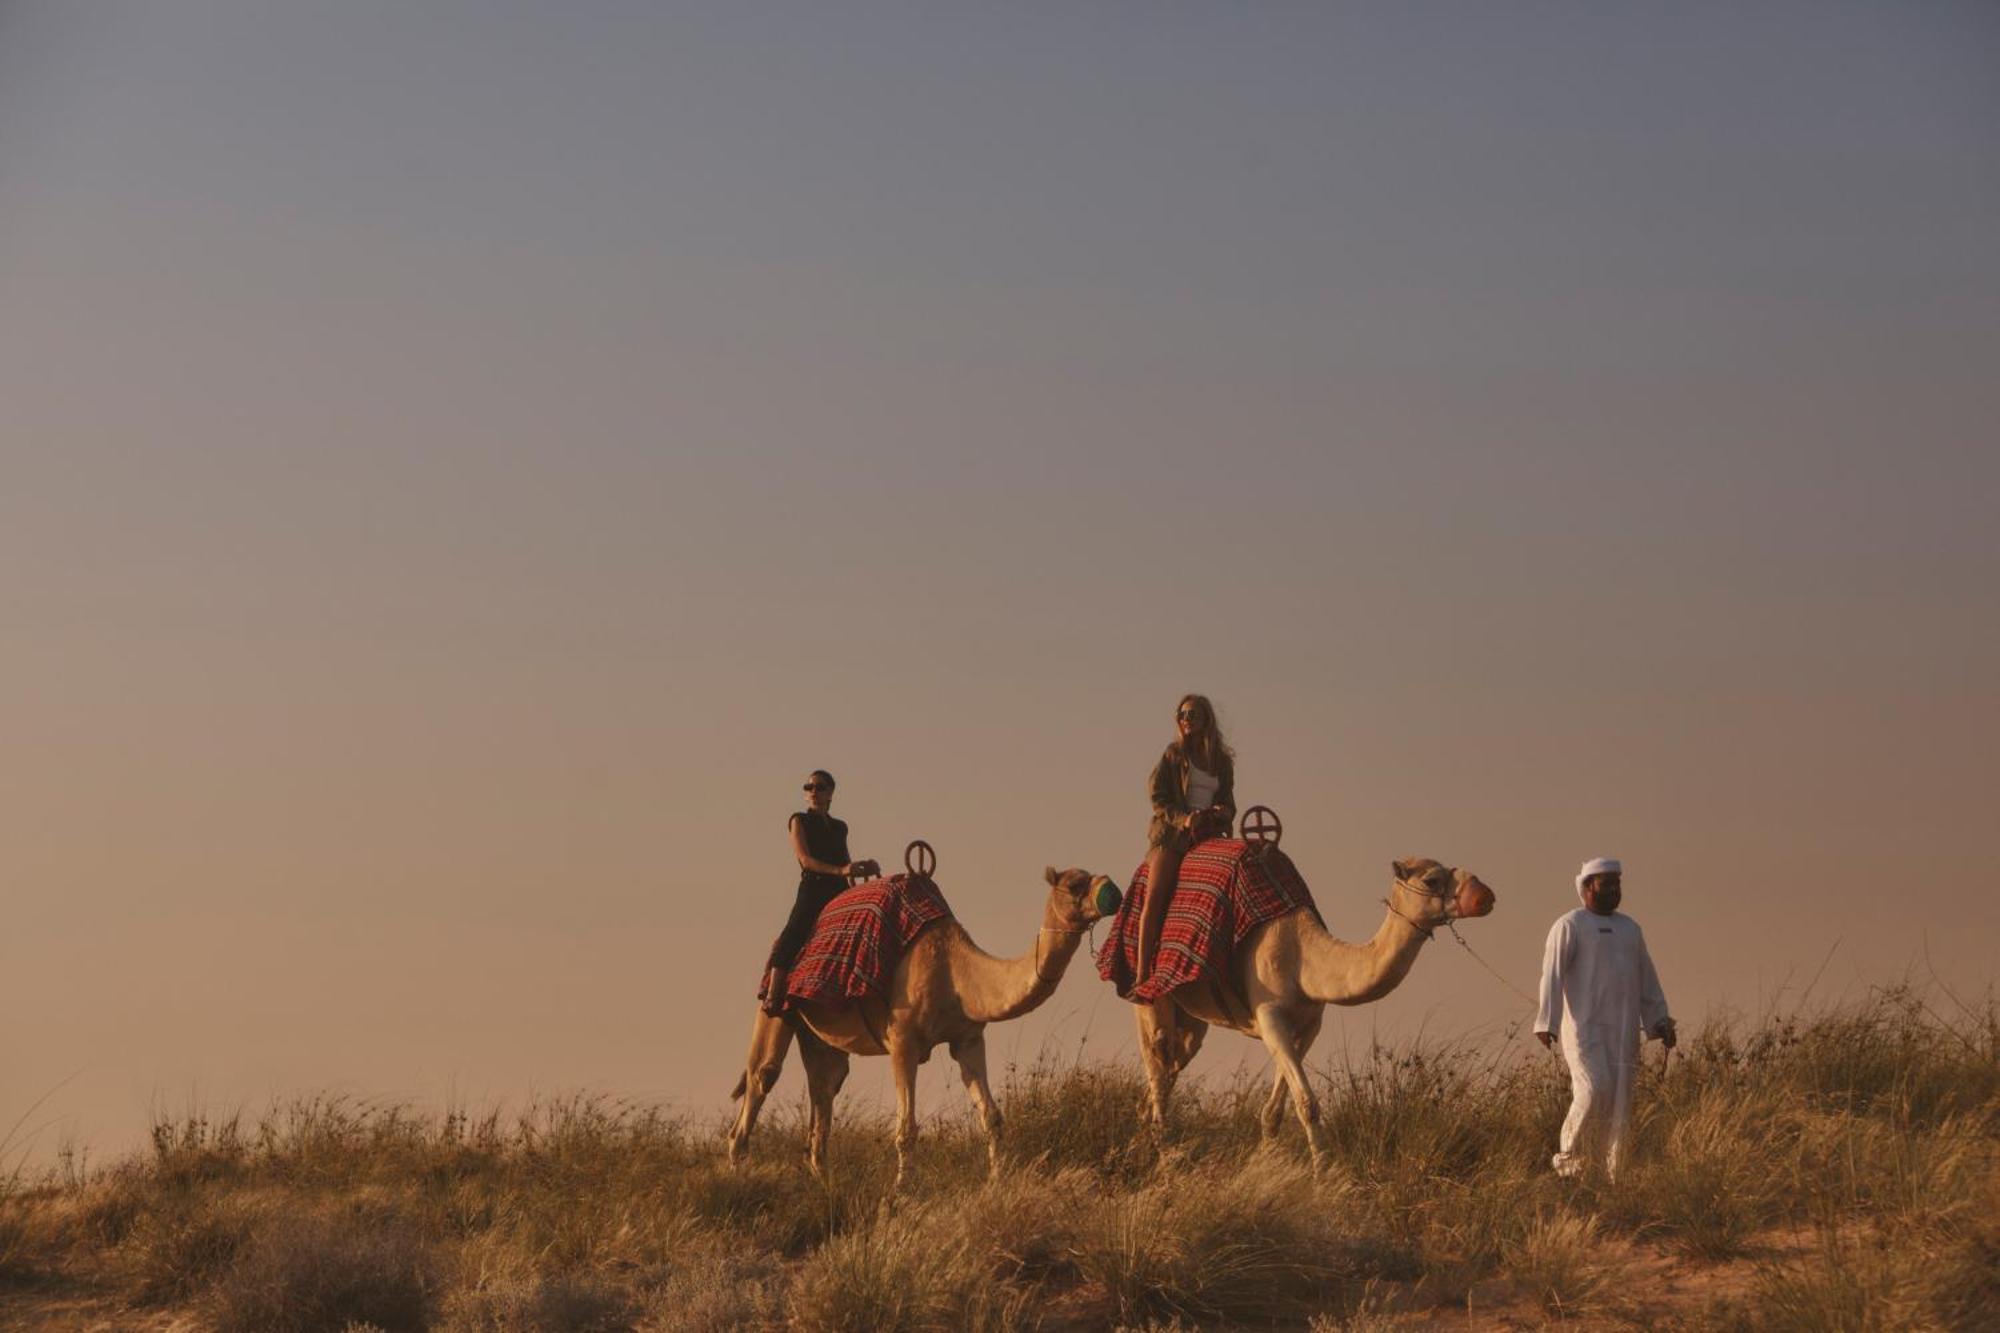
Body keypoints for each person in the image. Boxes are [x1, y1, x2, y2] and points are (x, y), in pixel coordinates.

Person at [1534, 856, 1676, 1179]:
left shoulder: (1630, 929)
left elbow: (1647, 978)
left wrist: (1660, 1021)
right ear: (1587, 887)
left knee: (1620, 1102)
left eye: (1617, 884)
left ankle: (1614, 1176)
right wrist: (1547, 1022)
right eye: (1606, 883)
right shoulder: (1569, 925)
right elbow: (1551, 975)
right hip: (1584, 1030)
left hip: (1624, 1031)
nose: (1613, 890)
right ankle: (1567, 1159)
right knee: (1593, 1089)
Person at [1135, 694, 1236, 983]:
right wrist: (1183, 818)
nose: (1186, 719)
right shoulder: (1173, 755)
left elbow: (1228, 800)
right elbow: (1158, 796)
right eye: (1182, 714)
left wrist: (1223, 812)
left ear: (1206, 718)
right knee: (1155, 897)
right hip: (1173, 836)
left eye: (1192, 714)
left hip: (1208, 834)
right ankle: (1142, 975)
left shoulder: (1222, 761)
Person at [761, 770, 872, 1016]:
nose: (813, 792)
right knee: (793, 932)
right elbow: (805, 860)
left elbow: (845, 861)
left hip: (839, 889)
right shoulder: (799, 820)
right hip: (814, 886)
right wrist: (840, 870)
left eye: (819, 787)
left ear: (831, 792)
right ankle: (773, 993)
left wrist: (861, 869)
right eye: (808, 787)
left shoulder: (840, 827)